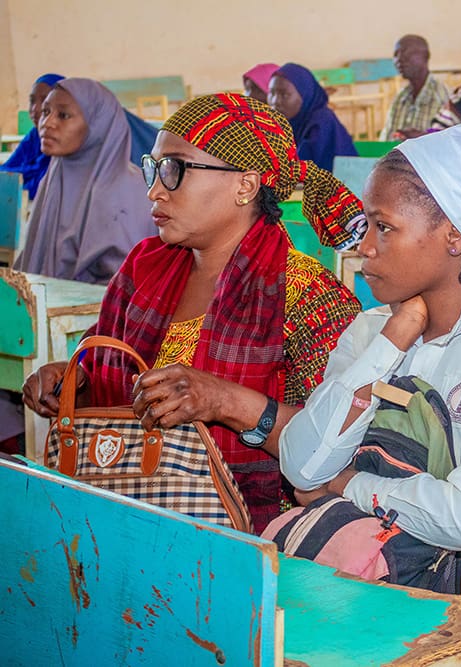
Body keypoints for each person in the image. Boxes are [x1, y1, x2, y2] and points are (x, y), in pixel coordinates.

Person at [21, 93, 366, 532]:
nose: (154, 190)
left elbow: (335, 445)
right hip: (128, 501)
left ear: (245, 184)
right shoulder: (145, 270)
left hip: (253, 530)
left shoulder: (306, 296)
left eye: (175, 169)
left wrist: (222, 401)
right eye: (153, 167)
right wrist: (78, 385)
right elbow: (120, 390)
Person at [279, 124, 461, 610]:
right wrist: (391, 341)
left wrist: (348, 484)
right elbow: (303, 467)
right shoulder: (371, 332)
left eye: (383, 227)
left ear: (454, 235)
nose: (364, 246)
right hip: (357, 573)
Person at [13, 78, 153, 284]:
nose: (47, 123)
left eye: (63, 115)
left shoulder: (128, 189)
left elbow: (128, 282)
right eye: (46, 112)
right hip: (51, 303)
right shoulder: (55, 177)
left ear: (97, 124)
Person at [269, 63, 358, 171]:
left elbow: (299, 170)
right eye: (272, 93)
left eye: (284, 95)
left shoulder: (320, 124)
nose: (275, 101)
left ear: (305, 95)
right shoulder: (287, 124)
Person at [1, 73, 65, 200]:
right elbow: (5, 170)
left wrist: (17, 179)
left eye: (45, 100)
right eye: (32, 101)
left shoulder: (68, 142)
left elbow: (41, 189)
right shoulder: (34, 135)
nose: (35, 109)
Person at [379, 35, 450, 140]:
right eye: (396, 54)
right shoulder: (400, 98)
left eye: (406, 53)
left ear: (426, 56)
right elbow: (386, 140)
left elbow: (445, 142)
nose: (399, 59)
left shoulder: (441, 96)